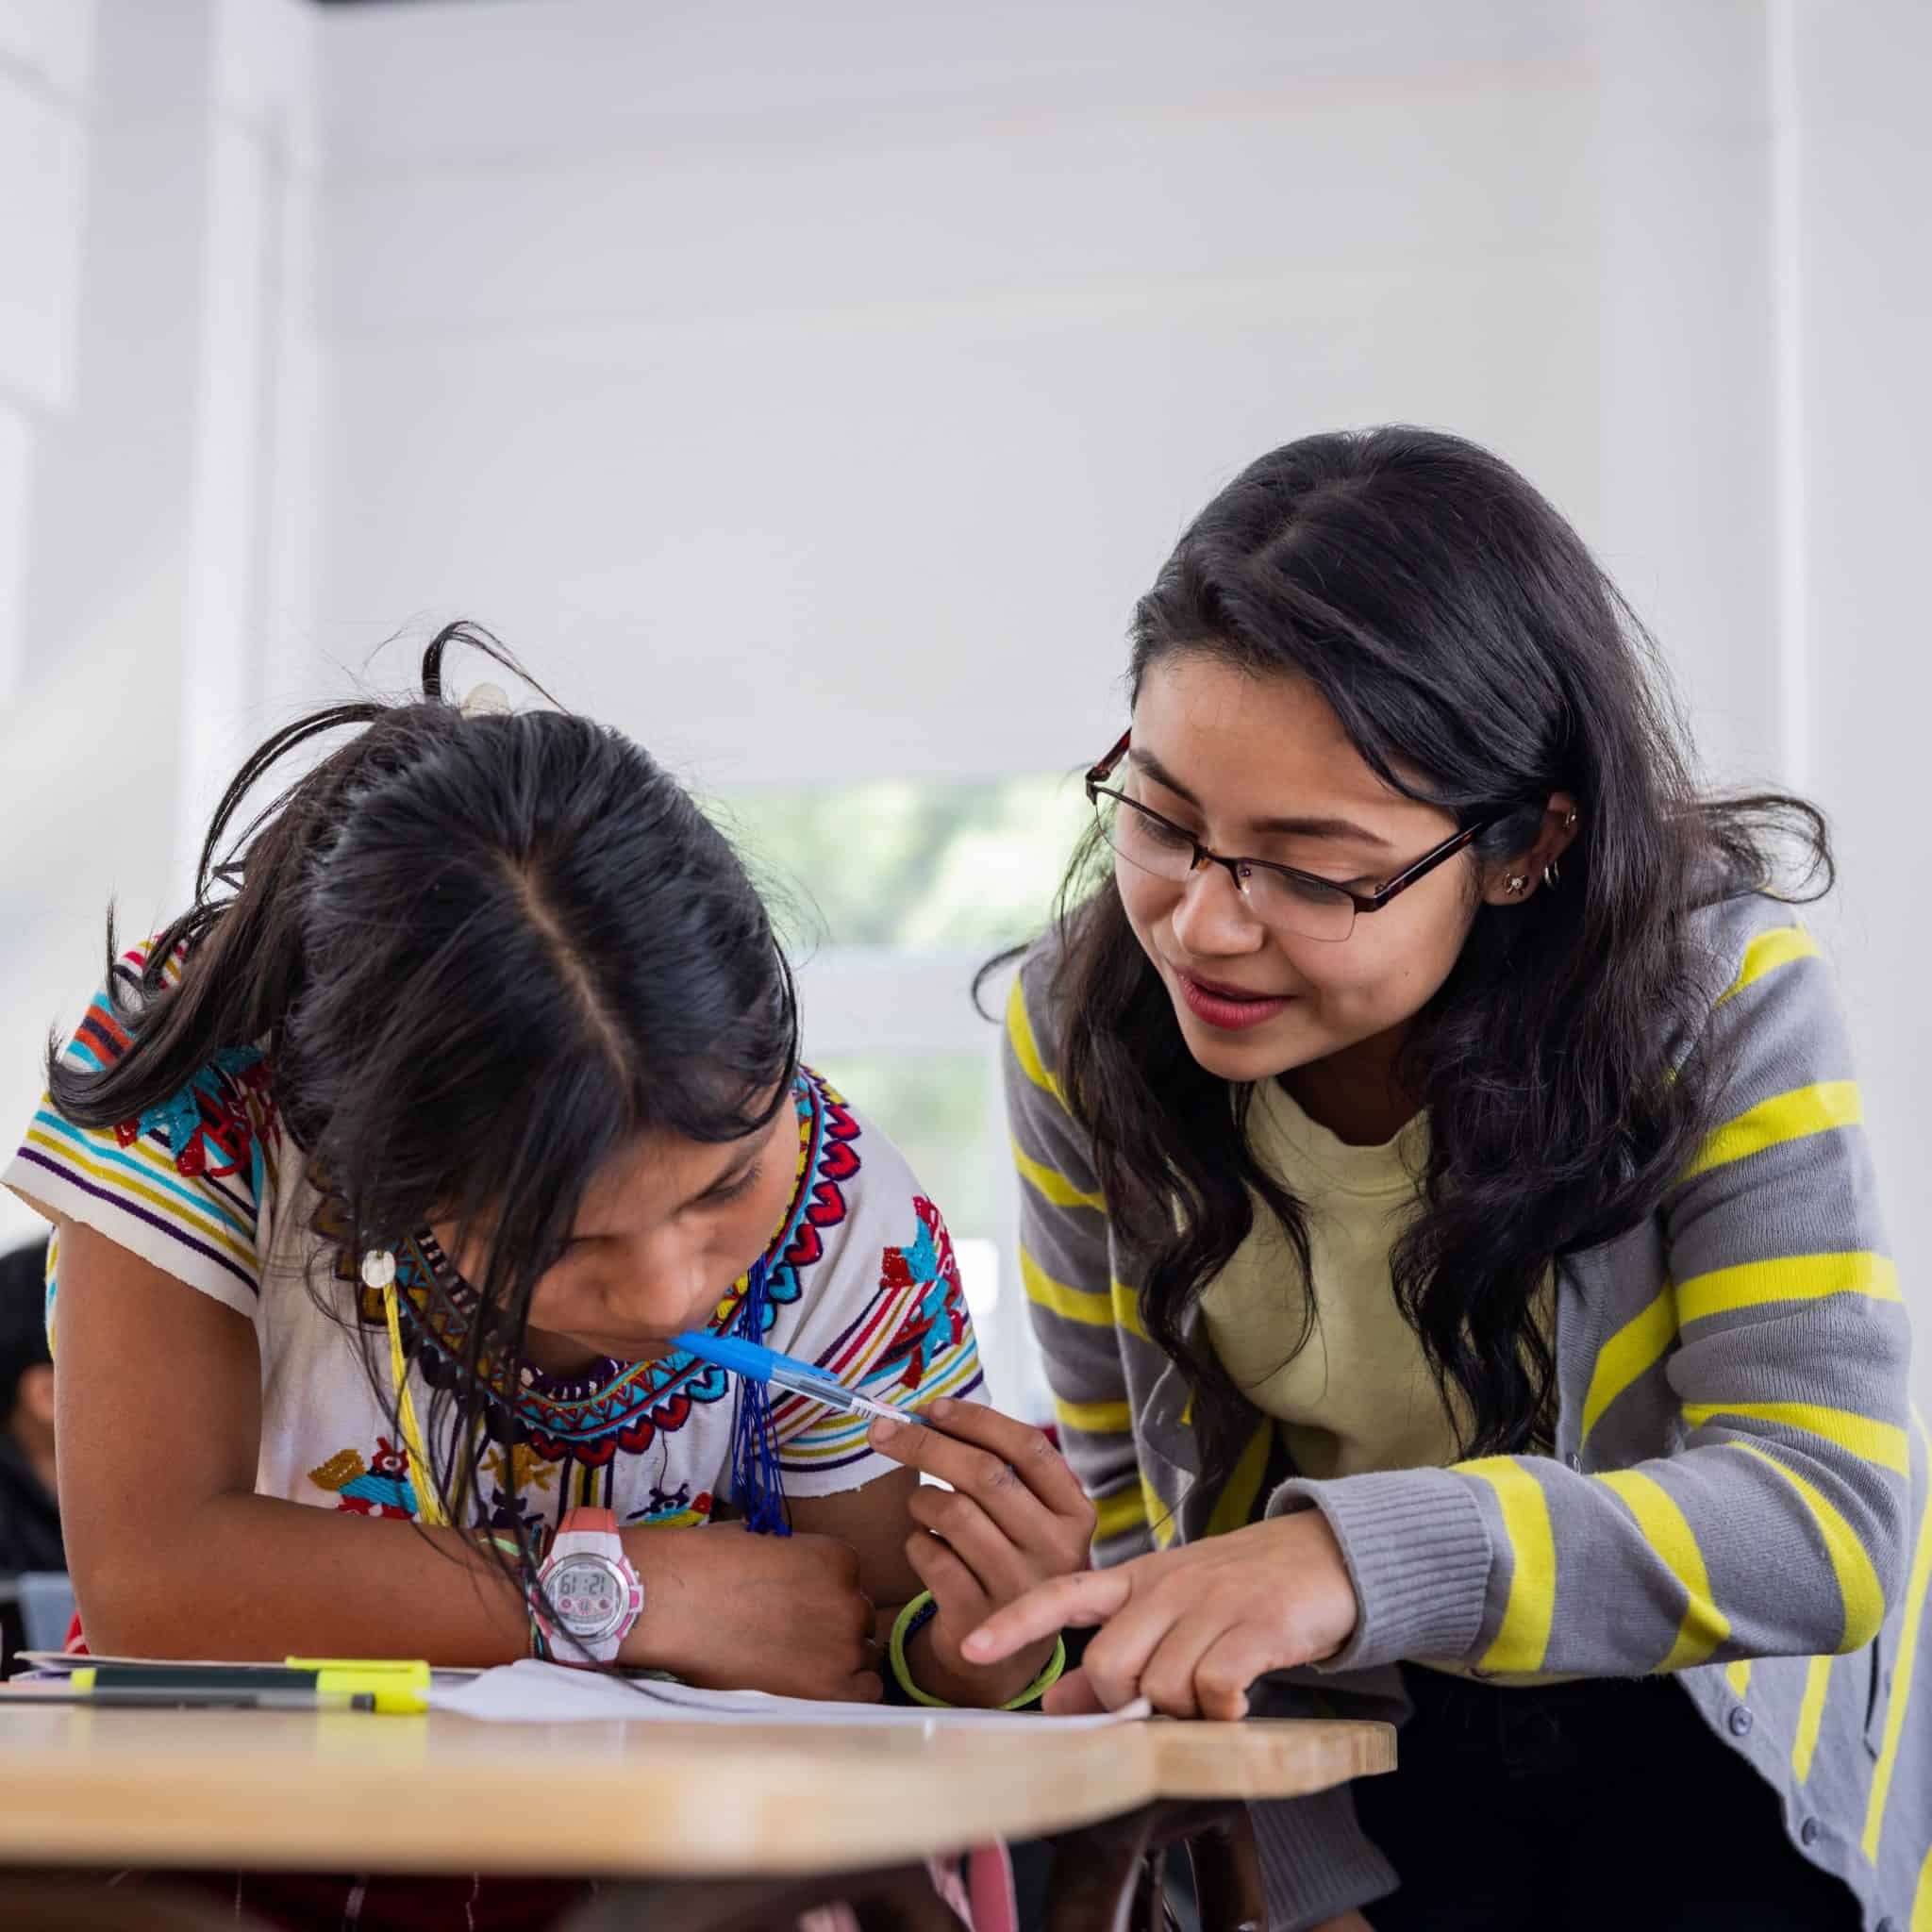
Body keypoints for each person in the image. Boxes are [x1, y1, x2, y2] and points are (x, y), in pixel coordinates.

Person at [965, 428, 1927, 1932]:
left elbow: (1821, 1516)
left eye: (1312, 863)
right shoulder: (1083, 1029)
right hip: (1360, 1745)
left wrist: (1351, 1554)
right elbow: (1151, 1539)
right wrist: (1287, 1881)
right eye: (1161, 818)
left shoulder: (1720, 1003)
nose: (1205, 926)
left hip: (1704, 1739)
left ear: (1523, 846)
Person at [4, 626, 1092, 1931]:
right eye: (564, 1245)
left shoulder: (845, 1213)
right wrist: (629, 1589)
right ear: (369, 1172)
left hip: (661, 1871)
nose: (670, 1295)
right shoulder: (203, 1079)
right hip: (218, 1843)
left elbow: (861, 1647)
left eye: (721, 1191)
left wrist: (983, 1645)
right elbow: (156, 1585)